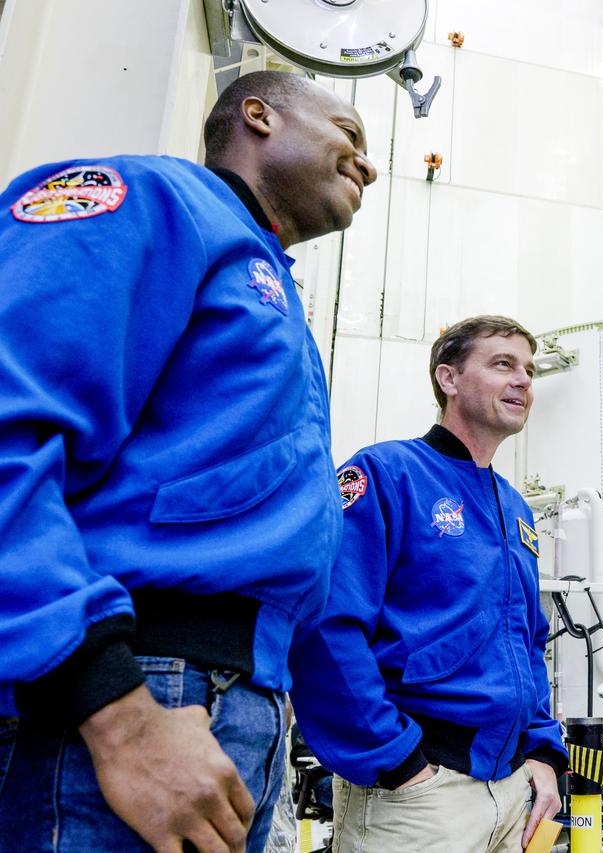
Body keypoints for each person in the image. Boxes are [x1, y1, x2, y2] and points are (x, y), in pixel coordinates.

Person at [0, 71, 377, 853]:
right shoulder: (149, 201)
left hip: (235, 710)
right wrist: (115, 709)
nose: (369, 166)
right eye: (351, 133)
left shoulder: (269, 289)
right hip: (132, 697)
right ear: (259, 114)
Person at [288, 316, 567, 853]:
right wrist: (395, 762)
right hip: (419, 792)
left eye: (529, 370)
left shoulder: (514, 508)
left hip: (512, 791)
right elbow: (325, 623)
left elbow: (527, 641)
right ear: (449, 378)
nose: (525, 381)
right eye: (502, 364)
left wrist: (543, 752)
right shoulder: (386, 474)